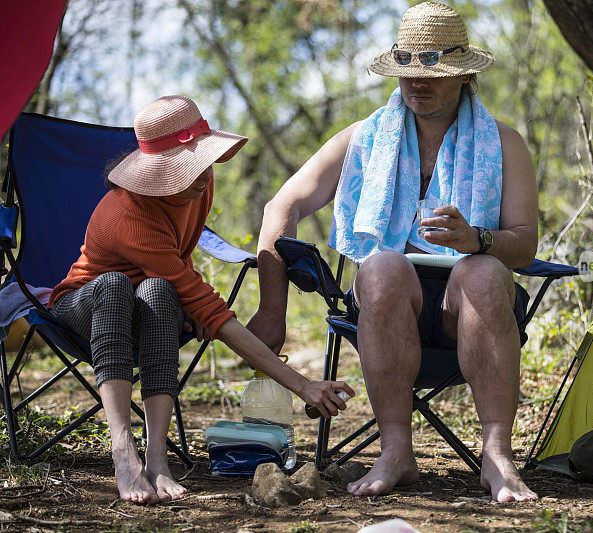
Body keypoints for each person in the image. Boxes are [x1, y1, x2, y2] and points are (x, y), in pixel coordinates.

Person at [247, 2, 538, 502]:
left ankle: (498, 456)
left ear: (465, 74)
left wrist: (477, 240)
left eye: (433, 70)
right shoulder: (363, 138)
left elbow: (524, 243)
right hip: (388, 306)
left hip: (470, 305)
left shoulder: (503, 144)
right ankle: (396, 452)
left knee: (485, 273)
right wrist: (272, 311)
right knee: (381, 265)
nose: (416, 83)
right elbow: (282, 207)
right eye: (406, 69)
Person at [48, 95, 354, 504]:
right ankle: (124, 453)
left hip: (146, 306)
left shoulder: (198, 189)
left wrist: (186, 309)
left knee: (159, 289)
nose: (204, 176)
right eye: (187, 168)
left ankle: (157, 457)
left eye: (203, 162)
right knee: (116, 285)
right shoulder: (127, 215)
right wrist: (302, 385)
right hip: (85, 306)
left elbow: (180, 271)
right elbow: (209, 307)